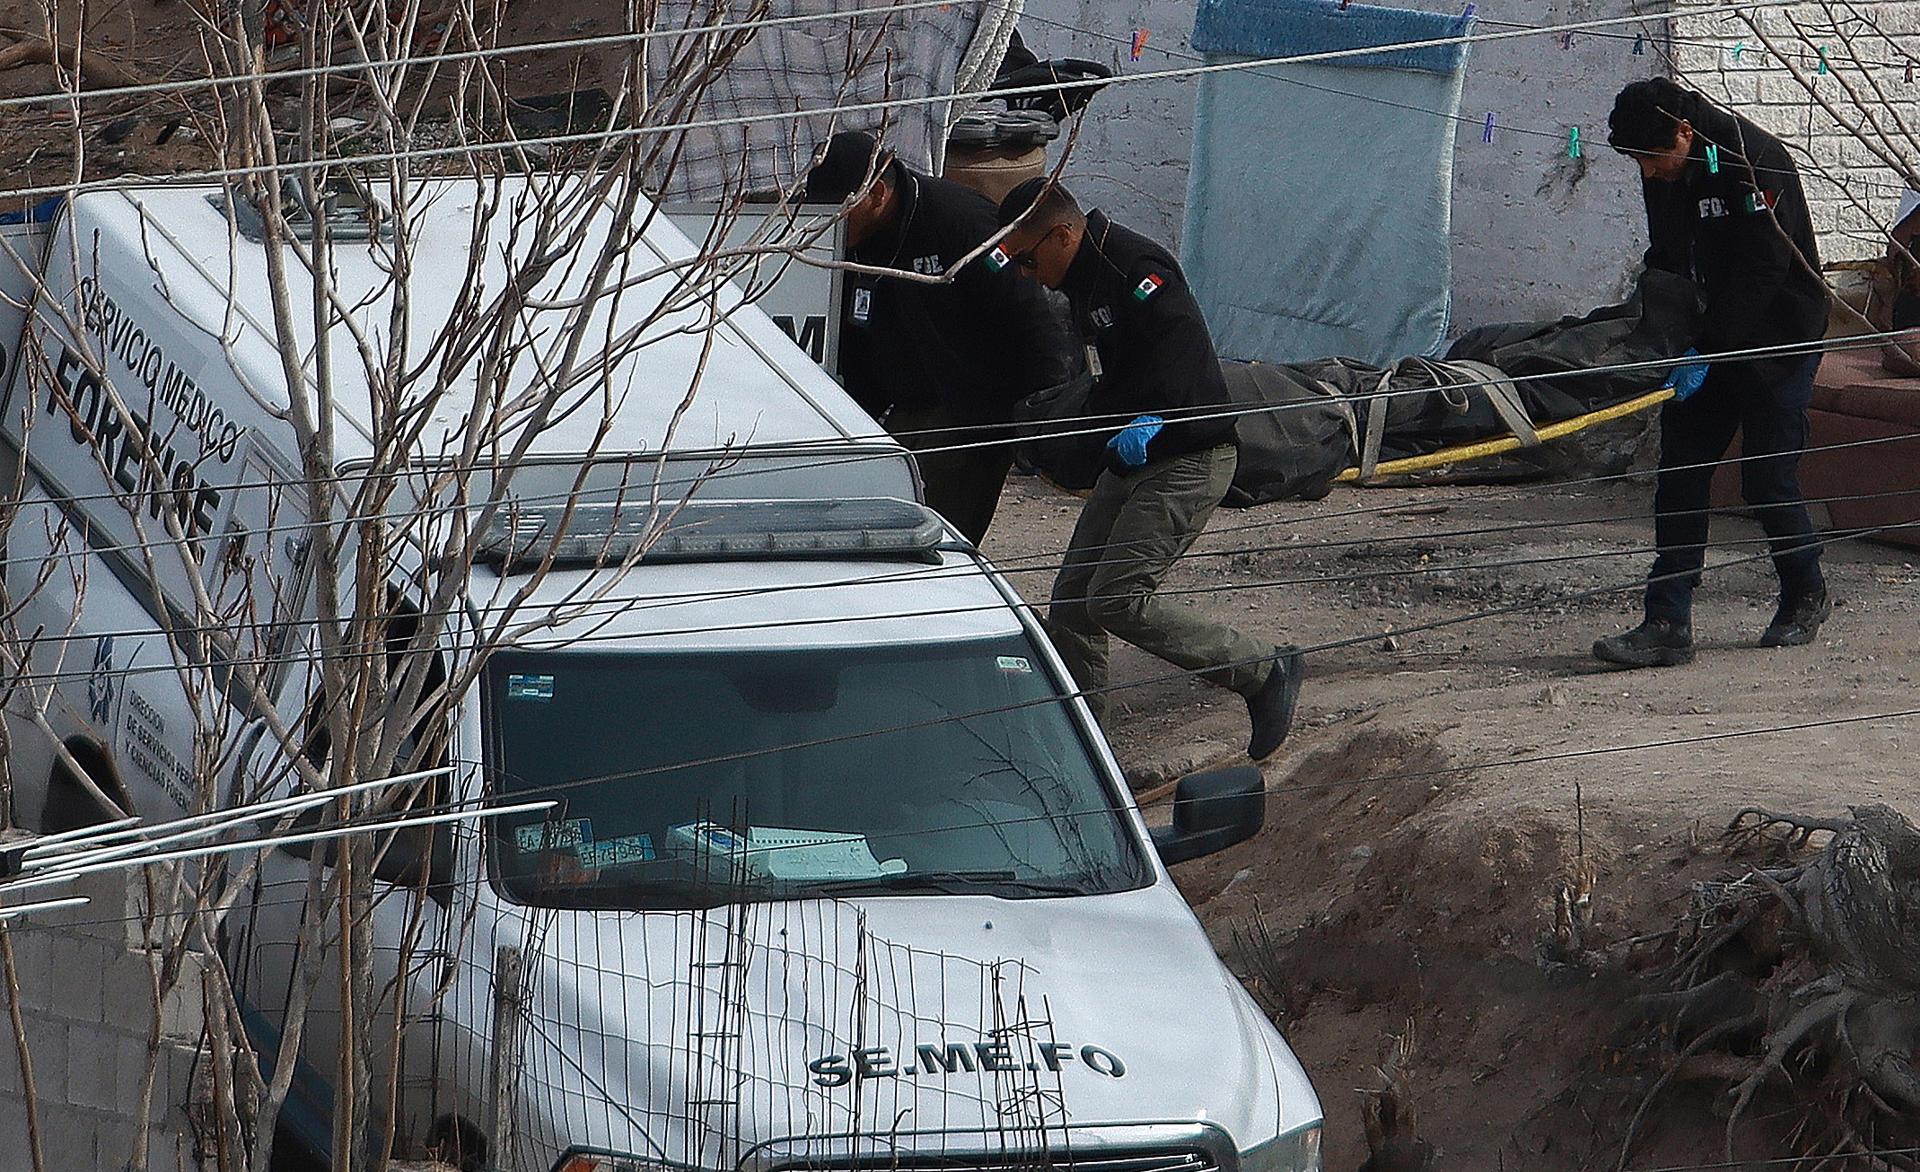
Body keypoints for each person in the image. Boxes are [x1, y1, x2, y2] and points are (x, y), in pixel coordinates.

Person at [994, 177, 1303, 760]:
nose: (1027, 275)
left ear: (1062, 235)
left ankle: (1262, 672)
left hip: (1189, 454)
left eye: (1029, 260)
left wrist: (1154, 422)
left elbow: (1187, 368)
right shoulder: (1082, 279)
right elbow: (1110, 378)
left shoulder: (1135, 266)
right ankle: (1088, 754)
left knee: (1117, 598)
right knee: (1073, 604)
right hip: (1134, 454)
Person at [1594, 78, 1833, 669]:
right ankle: (1667, 620)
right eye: (1638, 163)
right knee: (1680, 474)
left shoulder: (1754, 161)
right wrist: (1655, 322)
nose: (1649, 174)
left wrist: (1711, 347)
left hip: (1778, 341)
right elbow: (1670, 253)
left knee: (1767, 480)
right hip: (1708, 339)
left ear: (1683, 131)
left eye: (1653, 159)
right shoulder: (1666, 167)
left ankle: (1806, 591)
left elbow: (1765, 266)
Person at [805, 131, 1076, 544]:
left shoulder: (960, 223)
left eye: (838, 210)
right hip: (903, 407)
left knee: (935, 543)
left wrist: (1041, 422)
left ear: (877, 194)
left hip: (971, 413)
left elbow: (1033, 319)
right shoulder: (854, 241)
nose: (828, 222)